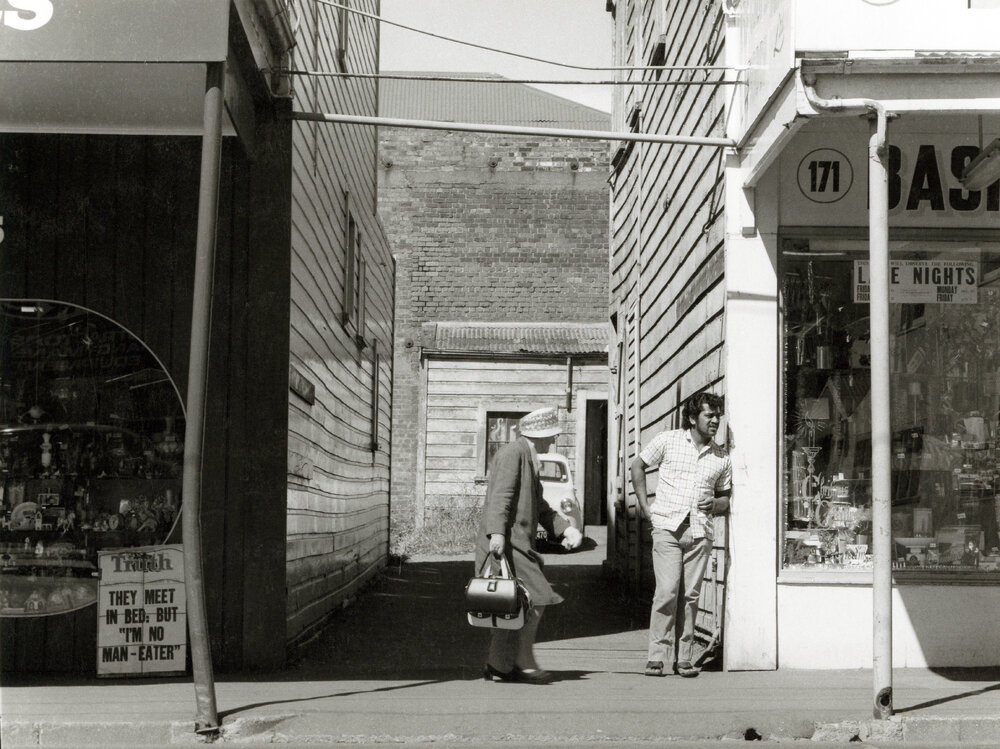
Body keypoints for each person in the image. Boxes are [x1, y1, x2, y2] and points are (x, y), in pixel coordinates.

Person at [476, 406, 584, 684]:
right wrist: (497, 536)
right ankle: (523, 661)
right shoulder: (514, 454)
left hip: (515, 542)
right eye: (550, 436)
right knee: (536, 597)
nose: (552, 442)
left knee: (507, 604)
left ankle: (498, 665)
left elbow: (541, 506)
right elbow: (501, 497)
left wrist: (565, 529)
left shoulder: (529, 456)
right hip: (507, 543)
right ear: (539, 435)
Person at [630, 391, 731, 678]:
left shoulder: (721, 457)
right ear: (692, 418)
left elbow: (725, 499)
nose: (715, 421)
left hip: (700, 533)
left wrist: (715, 504)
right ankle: (657, 656)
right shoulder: (668, 441)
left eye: (717, 416)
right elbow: (637, 465)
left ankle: (683, 658)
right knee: (666, 591)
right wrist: (645, 505)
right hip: (667, 529)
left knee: (690, 595)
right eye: (709, 415)